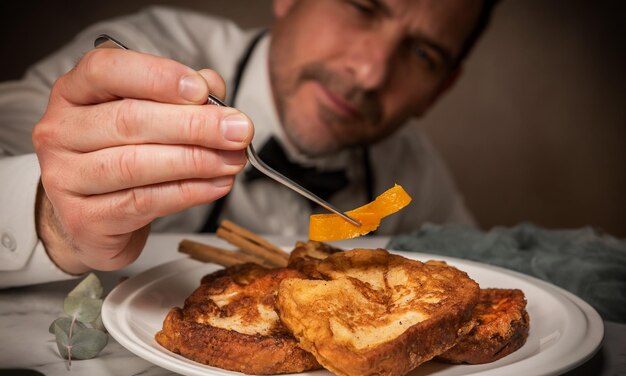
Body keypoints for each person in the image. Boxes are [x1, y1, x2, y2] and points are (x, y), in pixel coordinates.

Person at [0, 0, 497, 286]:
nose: (370, 73)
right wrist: (53, 217)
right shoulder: (151, 54)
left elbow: (475, 274)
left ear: (442, 88)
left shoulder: (412, 171)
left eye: (423, 54)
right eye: (362, 6)